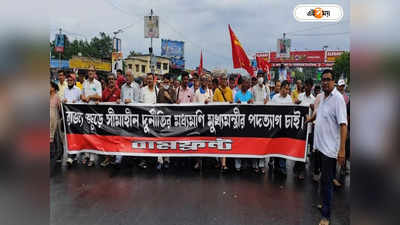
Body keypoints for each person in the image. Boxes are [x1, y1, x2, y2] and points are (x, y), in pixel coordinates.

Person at [307, 70, 347, 225]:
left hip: (330, 151)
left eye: (328, 80)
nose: (325, 82)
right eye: (323, 80)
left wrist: (342, 150)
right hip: (320, 147)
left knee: (327, 183)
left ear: (334, 81)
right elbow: (319, 113)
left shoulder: (338, 99)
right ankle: (324, 204)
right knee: (323, 181)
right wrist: (310, 119)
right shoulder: (323, 97)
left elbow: (343, 125)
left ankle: (326, 216)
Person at [293, 79, 315, 180]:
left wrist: (313, 108)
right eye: (306, 85)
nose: (307, 87)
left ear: (311, 87)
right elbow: (293, 108)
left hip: (308, 127)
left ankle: (301, 170)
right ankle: (297, 166)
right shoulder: (300, 96)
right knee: (298, 147)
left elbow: (316, 113)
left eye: (309, 86)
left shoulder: (314, 99)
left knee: (305, 149)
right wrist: (296, 103)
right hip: (298, 126)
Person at [80, 66, 102, 167]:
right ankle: (86, 155)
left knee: (93, 134)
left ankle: (92, 158)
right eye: (89, 70)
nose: (90, 72)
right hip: (85, 111)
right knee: (85, 134)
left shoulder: (97, 83)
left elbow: (99, 96)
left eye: (92, 71)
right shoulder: (84, 83)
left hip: (94, 113)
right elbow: (82, 95)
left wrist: (90, 97)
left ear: (95, 72)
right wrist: (84, 97)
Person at [269, 80, 292, 176]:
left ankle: (282, 167)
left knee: (283, 148)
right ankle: (276, 165)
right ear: (281, 88)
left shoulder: (289, 99)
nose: (286, 91)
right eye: (285, 89)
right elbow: (270, 111)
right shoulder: (274, 98)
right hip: (276, 127)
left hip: (285, 128)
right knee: (276, 147)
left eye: (288, 89)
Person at [249, 72, 270, 174]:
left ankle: (262, 165)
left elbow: (269, 101)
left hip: (264, 119)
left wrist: (267, 101)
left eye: (262, 76)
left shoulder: (267, 88)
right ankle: (254, 165)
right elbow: (252, 100)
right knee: (255, 142)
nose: (261, 78)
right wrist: (252, 101)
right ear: (257, 78)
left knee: (263, 143)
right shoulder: (253, 89)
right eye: (259, 76)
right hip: (255, 118)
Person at [156, 74, 176, 170]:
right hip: (161, 118)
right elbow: (157, 104)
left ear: (170, 82)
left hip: (170, 118)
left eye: (167, 82)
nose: (166, 84)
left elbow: (175, 104)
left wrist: (169, 98)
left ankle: (167, 159)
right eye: (164, 82)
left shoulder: (173, 91)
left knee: (168, 139)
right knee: (160, 138)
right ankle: (160, 160)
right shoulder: (160, 91)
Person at [100, 73, 121, 167]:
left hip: (117, 120)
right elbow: (101, 103)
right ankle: (107, 158)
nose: (111, 80)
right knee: (107, 139)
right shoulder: (104, 92)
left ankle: (116, 158)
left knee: (116, 139)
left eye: (112, 79)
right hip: (107, 120)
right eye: (109, 79)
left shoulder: (119, 91)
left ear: (115, 80)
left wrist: (120, 101)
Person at [138, 73, 158, 169]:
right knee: (145, 140)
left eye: (151, 79)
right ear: (146, 80)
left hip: (154, 120)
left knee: (154, 140)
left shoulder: (157, 90)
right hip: (145, 120)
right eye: (148, 79)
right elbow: (140, 104)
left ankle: (154, 160)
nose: (149, 80)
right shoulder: (143, 90)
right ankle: (144, 160)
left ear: (154, 80)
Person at [234, 77, 253, 171]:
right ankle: (238, 163)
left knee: (248, 142)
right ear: (242, 84)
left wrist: (251, 103)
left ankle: (247, 162)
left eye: (248, 83)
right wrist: (236, 104)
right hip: (239, 121)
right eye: (246, 83)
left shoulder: (250, 94)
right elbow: (233, 108)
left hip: (248, 122)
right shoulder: (237, 94)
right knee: (238, 142)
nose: (248, 84)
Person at [62, 75, 82, 166]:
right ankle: (71, 155)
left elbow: (82, 102)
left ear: (74, 81)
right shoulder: (65, 90)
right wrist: (64, 100)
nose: (69, 81)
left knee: (75, 136)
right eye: (68, 80)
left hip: (76, 116)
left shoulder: (78, 90)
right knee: (69, 136)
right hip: (67, 117)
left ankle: (73, 155)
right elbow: (62, 100)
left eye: (71, 80)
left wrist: (76, 102)